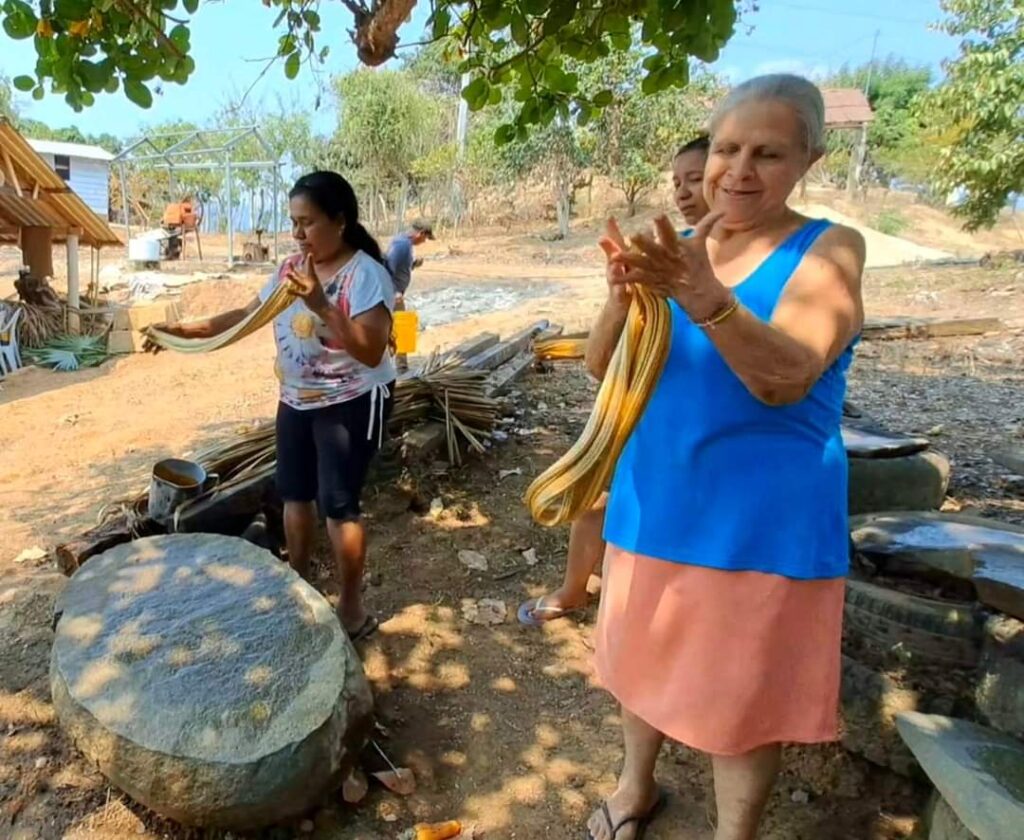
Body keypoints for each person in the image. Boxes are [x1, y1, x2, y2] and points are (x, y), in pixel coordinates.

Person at [585, 74, 865, 840]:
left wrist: (706, 298)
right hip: (654, 499)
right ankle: (634, 788)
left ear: (809, 157)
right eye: (728, 149)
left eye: (768, 153)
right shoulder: (681, 247)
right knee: (638, 664)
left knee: (741, 704)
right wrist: (622, 294)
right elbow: (599, 366)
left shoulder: (830, 247)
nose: (739, 170)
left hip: (758, 525)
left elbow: (785, 377)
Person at [151, 171, 396, 642]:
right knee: (294, 496)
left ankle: (350, 605)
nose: (297, 234)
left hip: (350, 402)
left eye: (307, 223)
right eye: (293, 223)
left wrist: (323, 306)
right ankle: (299, 586)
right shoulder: (289, 269)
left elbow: (370, 350)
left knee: (339, 507)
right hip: (296, 400)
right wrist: (186, 331)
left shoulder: (366, 274)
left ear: (340, 221)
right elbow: (247, 315)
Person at [517, 135, 712, 628]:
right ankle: (574, 589)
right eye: (677, 182)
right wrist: (620, 299)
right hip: (642, 434)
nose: (685, 193)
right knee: (591, 502)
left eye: (696, 179)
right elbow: (600, 365)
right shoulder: (664, 259)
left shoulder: (765, 267)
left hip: (710, 461)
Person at [385, 220, 434, 371]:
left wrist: (413, 264)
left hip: (393, 292)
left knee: (398, 327)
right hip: (391, 294)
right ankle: (400, 367)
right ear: (420, 234)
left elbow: (399, 266)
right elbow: (386, 268)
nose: (424, 242)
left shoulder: (405, 244)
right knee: (401, 328)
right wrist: (394, 291)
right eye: (425, 238)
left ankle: (400, 365)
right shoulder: (401, 245)